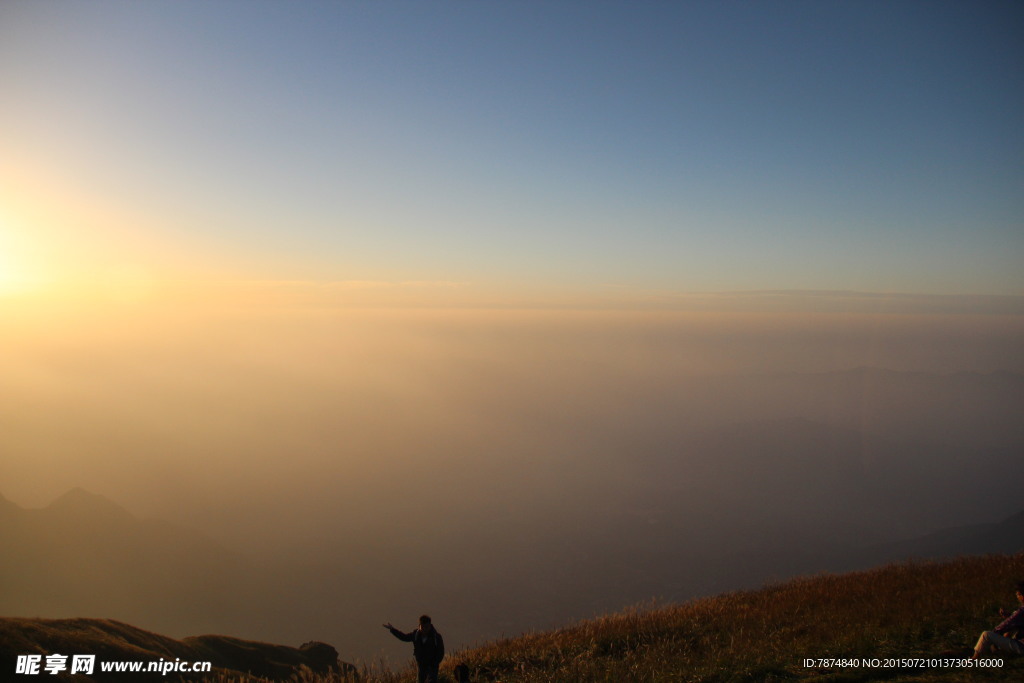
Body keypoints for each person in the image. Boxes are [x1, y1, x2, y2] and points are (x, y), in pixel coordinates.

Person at [383, 615, 445, 683]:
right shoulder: (416, 635)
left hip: (432, 668)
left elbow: (440, 653)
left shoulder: (436, 637)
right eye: (423, 627)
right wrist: (392, 629)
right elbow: (404, 637)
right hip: (421, 667)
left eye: (427, 627)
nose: (425, 629)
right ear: (419, 626)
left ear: (430, 625)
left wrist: (434, 664)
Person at [972, 581, 1024, 659]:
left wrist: (994, 635)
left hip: (1021, 646)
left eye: (1018, 594)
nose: (1017, 596)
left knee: (986, 635)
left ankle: (974, 658)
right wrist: (1009, 616)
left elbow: (1004, 626)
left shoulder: (1021, 612)